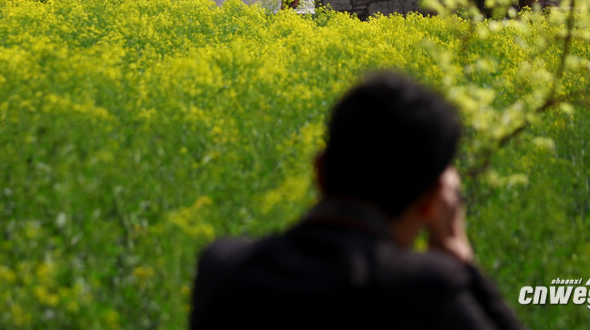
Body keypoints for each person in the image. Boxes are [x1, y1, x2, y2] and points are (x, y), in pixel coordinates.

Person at [190, 71, 525, 330]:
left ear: (319, 170)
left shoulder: (221, 268)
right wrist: (457, 252)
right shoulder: (424, 289)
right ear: (431, 202)